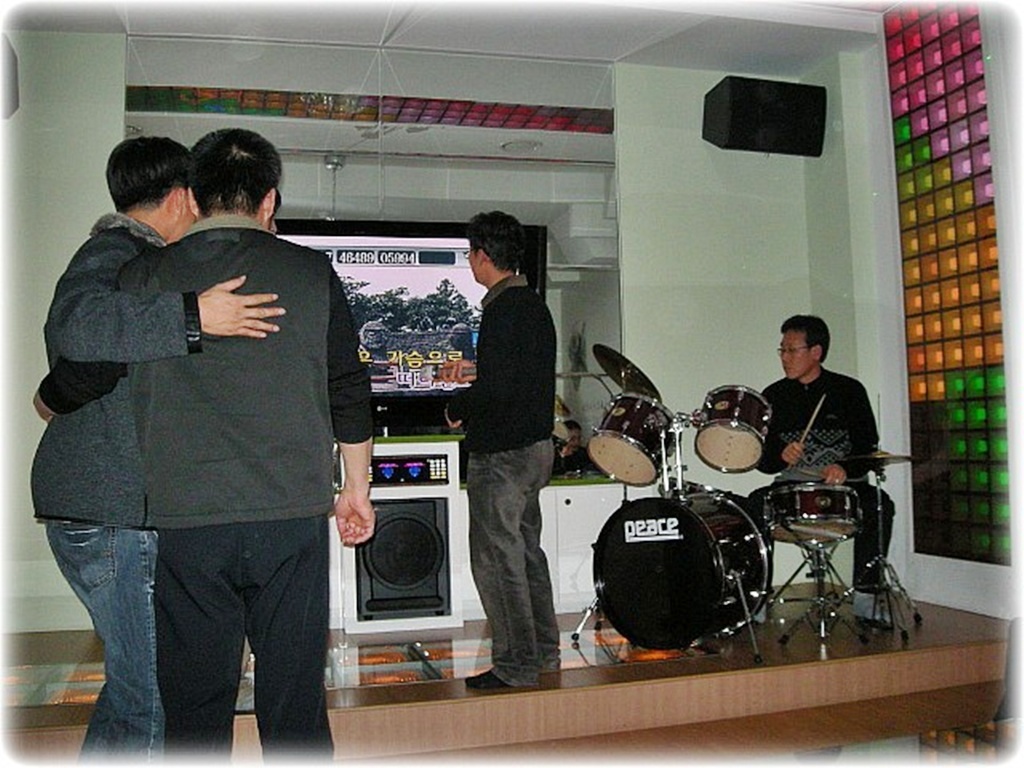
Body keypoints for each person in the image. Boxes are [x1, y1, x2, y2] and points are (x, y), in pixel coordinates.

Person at [118, 128, 374, 758]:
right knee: (293, 703)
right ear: (269, 201)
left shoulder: (142, 276)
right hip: (289, 518)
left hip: (187, 521)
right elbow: (348, 388)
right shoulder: (311, 272)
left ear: (192, 197)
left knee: (194, 705)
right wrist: (356, 490)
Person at [30, 136, 285, 759]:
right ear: (181, 197)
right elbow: (75, 329)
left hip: (113, 509)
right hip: (113, 514)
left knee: (135, 690)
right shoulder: (116, 251)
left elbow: (86, 370)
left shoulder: (138, 260)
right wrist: (194, 317)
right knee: (151, 693)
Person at [443, 210, 560, 690]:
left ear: (483, 256)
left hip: (502, 457)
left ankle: (514, 664)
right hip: (535, 450)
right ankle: (544, 650)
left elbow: (498, 391)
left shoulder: (501, 309)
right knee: (527, 552)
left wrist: (458, 406)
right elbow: (517, 375)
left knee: (497, 560)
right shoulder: (532, 304)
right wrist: (475, 374)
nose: (470, 261)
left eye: (470, 253)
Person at [746, 314, 895, 627]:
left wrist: (844, 467)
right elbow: (763, 462)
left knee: (880, 505)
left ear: (816, 352)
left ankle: (867, 598)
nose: (784, 357)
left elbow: (868, 447)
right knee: (755, 505)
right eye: (782, 350)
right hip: (793, 487)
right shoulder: (773, 396)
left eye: (792, 350)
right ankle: (756, 597)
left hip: (844, 488)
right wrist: (780, 455)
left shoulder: (849, 390)